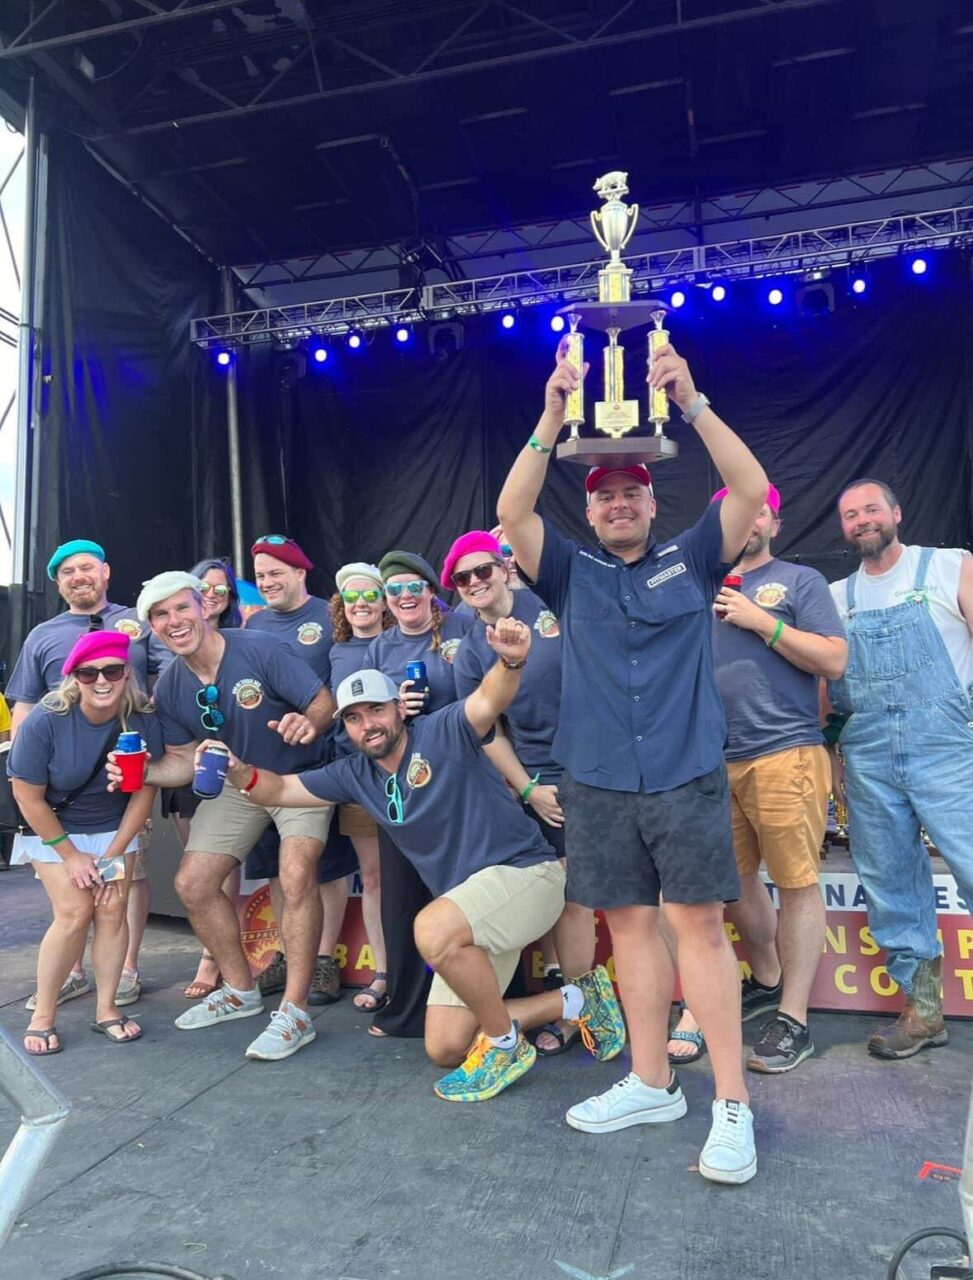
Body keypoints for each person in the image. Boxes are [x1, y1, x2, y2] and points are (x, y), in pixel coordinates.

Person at [497, 338, 769, 1185]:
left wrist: (691, 402)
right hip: (599, 780)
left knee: (697, 931)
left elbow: (751, 490)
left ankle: (731, 1105)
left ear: (652, 505)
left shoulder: (690, 559)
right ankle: (650, 1081)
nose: (617, 504)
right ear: (593, 509)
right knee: (630, 931)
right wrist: (549, 415)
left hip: (685, 773)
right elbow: (511, 515)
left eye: (630, 493)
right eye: (604, 495)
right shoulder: (570, 574)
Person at [210, 621, 627, 1102]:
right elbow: (282, 789)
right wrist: (241, 773)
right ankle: (577, 999)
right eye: (354, 717)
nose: (369, 724)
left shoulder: (443, 729)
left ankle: (506, 1045)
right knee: (445, 1046)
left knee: (430, 929)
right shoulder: (354, 773)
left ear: (397, 709)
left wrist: (511, 661)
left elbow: (489, 700)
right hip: (471, 912)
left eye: (377, 710)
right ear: (345, 727)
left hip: (527, 878)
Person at [120, 571, 336, 1062]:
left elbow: (323, 700)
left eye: (181, 608)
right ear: (152, 628)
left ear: (204, 607)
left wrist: (309, 721)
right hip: (240, 784)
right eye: (161, 615)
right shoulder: (172, 683)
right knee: (193, 884)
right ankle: (240, 990)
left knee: (297, 872)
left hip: (298, 780)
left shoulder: (259, 648)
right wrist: (140, 773)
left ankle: (295, 1012)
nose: (174, 621)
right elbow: (182, 759)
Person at [667, 486, 847, 1074]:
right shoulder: (696, 585)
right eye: (734, 514)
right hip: (712, 761)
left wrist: (761, 622)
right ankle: (768, 978)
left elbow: (833, 661)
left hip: (784, 752)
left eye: (758, 511)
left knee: (795, 883)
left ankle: (794, 1018)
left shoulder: (799, 582)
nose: (747, 522)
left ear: (774, 520)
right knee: (733, 884)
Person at [827, 478, 973, 1059]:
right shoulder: (839, 597)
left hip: (945, 747)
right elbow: (825, 683)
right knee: (891, 885)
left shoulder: (948, 566)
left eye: (870, 509)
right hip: (866, 755)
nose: (861, 519)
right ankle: (923, 1012)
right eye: (849, 514)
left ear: (896, 513)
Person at [445, 529, 596, 1056]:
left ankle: (597, 1013)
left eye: (482, 570)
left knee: (597, 901)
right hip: (536, 781)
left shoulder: (552, 602)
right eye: (462, 578)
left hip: (598, 768)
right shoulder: (469, 651)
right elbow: (487, 731)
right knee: (560, 897)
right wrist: (529, 787)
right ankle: (574, 1004)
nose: (474, 582)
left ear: (505, 569)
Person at [8, 538, 163, 1010]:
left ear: (106, 572)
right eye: (69, 571)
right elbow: (27, 703)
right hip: (64, 788)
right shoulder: (43, 635)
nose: (80, 576)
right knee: (74, 905)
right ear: (58, 583)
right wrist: (22, 766)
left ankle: (126, 972)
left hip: (126, 784)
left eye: (87, 568)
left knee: (125, 887)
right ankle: (72, 974)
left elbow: (172, 676)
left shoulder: (139, 624)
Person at [364, 550, 474, 1039]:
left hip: (464, 778)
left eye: (414, 586)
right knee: (403, 896)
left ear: (433, 590)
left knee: (468, 896)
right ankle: (408, 1007)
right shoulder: (379, 648)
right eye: (395, 590)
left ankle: (482, 1005)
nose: (405, 596)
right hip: (404, 782)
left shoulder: (463, 630)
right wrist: (392, 713)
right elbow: (364, 718)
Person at [244, 535, 354, 1007]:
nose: (268, 582)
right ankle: (291, 954)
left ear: (300, 574)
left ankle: (324, 959)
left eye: (276, 573)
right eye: (262, 575)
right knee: (274, 866)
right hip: (264, 766)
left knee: (323, 867)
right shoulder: (252, 623)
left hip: (318, 763)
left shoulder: (329, 617)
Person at [171, 557, 244, 1000]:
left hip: (235, 768)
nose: (213, 593)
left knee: (224, 862)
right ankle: (213, 945)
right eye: (205, 586)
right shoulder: (169, 641)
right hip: (185, 763)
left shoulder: (243, 640)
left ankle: (213, 960)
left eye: (221, 588)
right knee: (196, 866)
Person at [329, 562, 394, 1016]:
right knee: (373, 878)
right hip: (356, 779)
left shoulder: (403, 641)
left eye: (370, 595)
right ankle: (385, 972)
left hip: (411, 777)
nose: (361, 604)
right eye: (352, 597)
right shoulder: (333, 651)